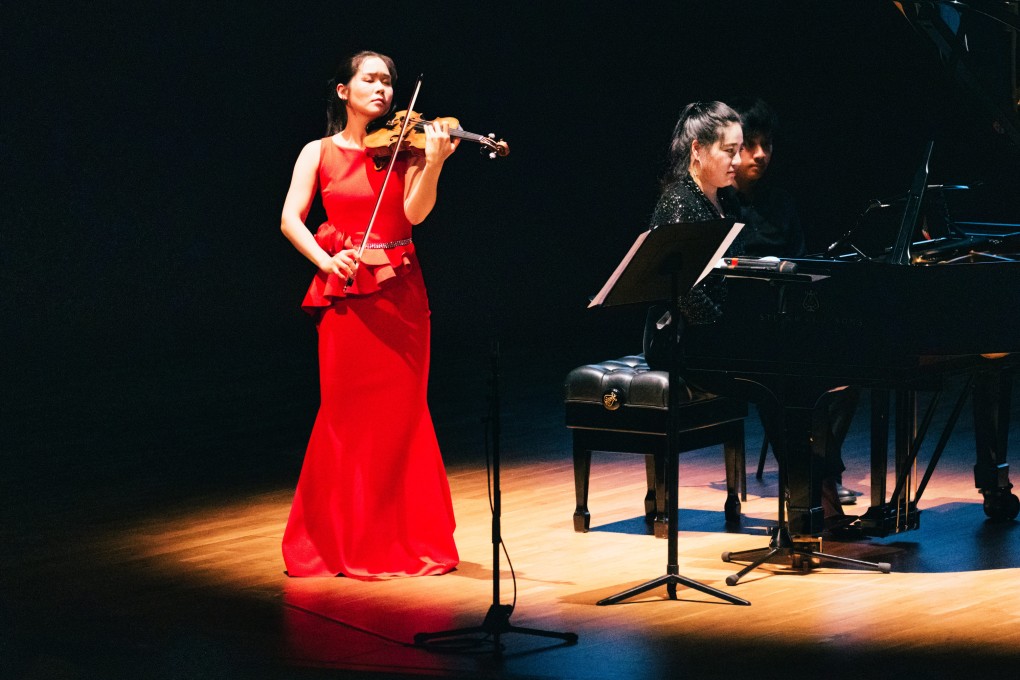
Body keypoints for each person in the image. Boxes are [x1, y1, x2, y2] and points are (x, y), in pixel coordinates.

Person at [279, 51, 460, 579]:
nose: (382, 89)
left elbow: (414, 215)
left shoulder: (404, 151)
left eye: (388, 82)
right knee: (343, 417)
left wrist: (434, 164)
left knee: (403, 418)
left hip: (400, 295)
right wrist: (326, 259)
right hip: (347, 294)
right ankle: (337, 541)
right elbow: (291, 219)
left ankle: (405, 541)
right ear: (343, 89)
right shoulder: (317, 151)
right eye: (370, 79)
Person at [728, 97, 859, 508]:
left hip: (786, 313)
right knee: (785, 376)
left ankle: (815, 476)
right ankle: (817, 484)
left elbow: (802, 260)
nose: (762, 154)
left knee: (851, 372)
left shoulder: (781, 201)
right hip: (738, 321)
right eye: (751, 145)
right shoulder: (717, 203)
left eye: (767, 144)